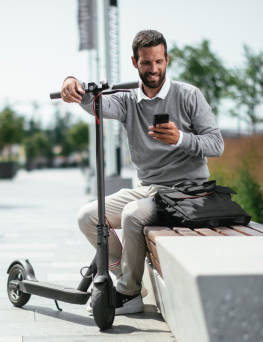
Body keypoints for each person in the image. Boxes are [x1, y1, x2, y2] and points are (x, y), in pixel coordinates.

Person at [60, 30, 224, 315]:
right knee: (87, 217)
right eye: (146, 63)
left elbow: (216, 145)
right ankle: (127, 275)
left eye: (159, 62)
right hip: (149, 188)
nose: (154, 69)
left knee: (133, 214)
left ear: (167, 59)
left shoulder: (189, 96)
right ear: (135, 62)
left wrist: (180, 139)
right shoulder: (127, 101)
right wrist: (71, 82)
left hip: (188, 192)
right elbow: (95, 103)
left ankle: (128, 292)